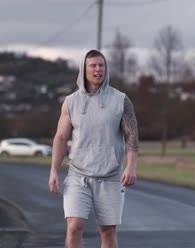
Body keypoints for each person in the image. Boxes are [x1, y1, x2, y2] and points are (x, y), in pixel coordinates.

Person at [48, 49, 139, 248]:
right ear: (84, 69)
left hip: (110, 177)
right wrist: (54, 170)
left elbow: (131, 135)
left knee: (107, 231)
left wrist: (131, 166)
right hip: (78, 175)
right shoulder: (71, 102)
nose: (98, 69)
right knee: (74, 227)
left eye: (101, 65)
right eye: (93, 65)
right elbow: (61, 138)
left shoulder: (120, 99)